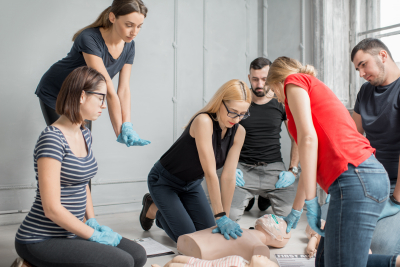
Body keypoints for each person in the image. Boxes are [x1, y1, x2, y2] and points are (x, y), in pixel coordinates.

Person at [266, 57, 399, 267]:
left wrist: (311, 202)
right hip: (362, 176)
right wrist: (298, 209)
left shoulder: (294, 81)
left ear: (276, 82)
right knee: (326, 260)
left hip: (356, 177)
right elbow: (310, 161)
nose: (277, 99)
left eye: (273, 92)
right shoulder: (314, 91)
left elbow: (308, 140)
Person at [14, 67, 147, 267]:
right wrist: (92, 235)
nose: (104, 105)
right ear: (82, 96)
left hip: (72, 231)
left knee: (138, 255)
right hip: (41, 238)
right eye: (100, 98)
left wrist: (92, 220)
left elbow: (82, 182)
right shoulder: (52, 139)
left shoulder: (85, 134)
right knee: (123, 263)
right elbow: (51, 209)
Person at [139, 80, 251, 242]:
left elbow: (228, 176)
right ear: (220, 103)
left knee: (208, 235)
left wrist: (225, 217)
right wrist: (219, 216)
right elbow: (211, 173)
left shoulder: (239, 132)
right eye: (233, 112)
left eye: (243, 114)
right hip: (164, 181)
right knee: (190, 238)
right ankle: (152, 208)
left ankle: (173, 209)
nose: (237, 119)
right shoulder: (203, 121)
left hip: (191, 185)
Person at [35, 0, 150, 147]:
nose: (134, 32)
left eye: (139, 26)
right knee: (67, 145)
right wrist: (119, 132)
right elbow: (108, 89)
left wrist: (127, 125)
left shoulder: (129, 46)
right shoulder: (89, 38)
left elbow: (124, 89)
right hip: (56, 92)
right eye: (129, 25)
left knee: (83, 145)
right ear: (113, 17)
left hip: (84, 97)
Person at [224, 57, 299, 222]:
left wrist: (292, 170)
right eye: (255, 79)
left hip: (273, 168)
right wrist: (228, 167)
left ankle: (265, 195)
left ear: (271, 78)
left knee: (287, 215)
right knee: (231, 215)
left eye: (264, 79)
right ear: (249, 78)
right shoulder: (241, 101)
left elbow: (296, 137)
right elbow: (224, 136)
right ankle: (250, 196)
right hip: (243, 168)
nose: (259, 84)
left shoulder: (280, 102)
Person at [351, 38, 400, 255]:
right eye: (357, 68)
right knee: (329, 227)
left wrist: (396, 200)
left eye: (363, 64)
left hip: (397, 186)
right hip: (372, 179)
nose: (361, 73)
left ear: (382, 56)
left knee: (380, 246)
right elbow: (353, 138)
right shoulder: (365, 92)